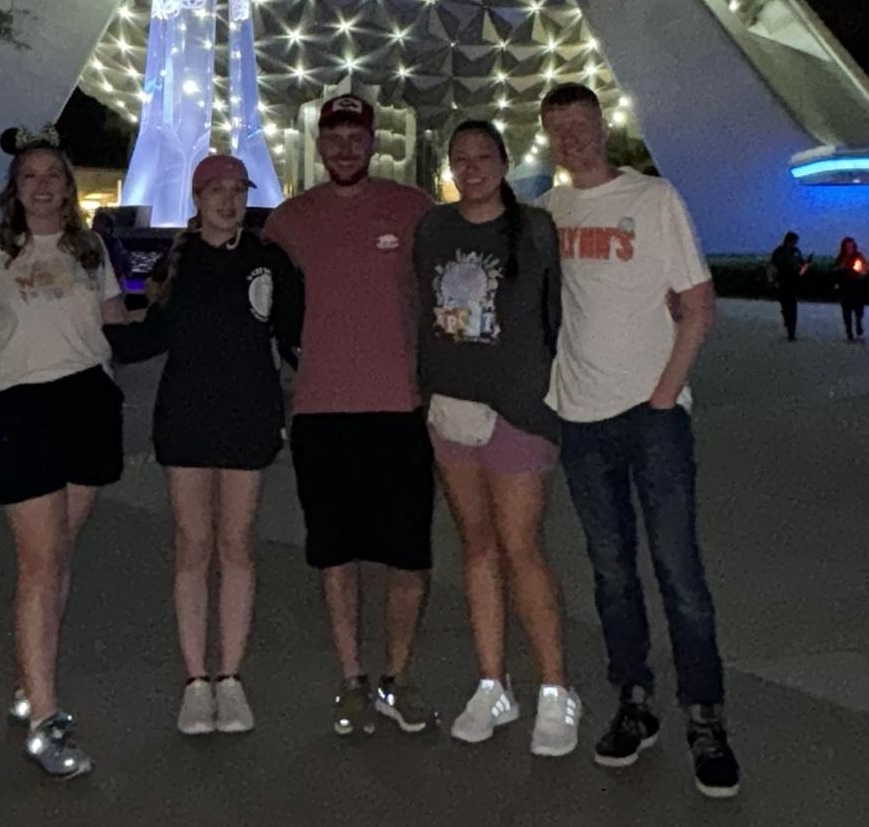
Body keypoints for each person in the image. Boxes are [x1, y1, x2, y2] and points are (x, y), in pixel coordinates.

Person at [538, 83, 740, 799]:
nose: (573, 137)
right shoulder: (548, 213)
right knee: (612, 575)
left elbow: (699, 306)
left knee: (679, 573)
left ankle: (704, 716)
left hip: (652, 419)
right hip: (580, 418)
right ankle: (635, 700)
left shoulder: (655, 200)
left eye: (582, 124)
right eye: (559, 128)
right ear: (548, 137)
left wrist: (661, 399)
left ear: (603, 127)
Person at [0, 126, 128, 778]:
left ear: (68, 186)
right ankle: (45, 720)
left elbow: (117, 326)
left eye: (52, 175)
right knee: (40, 559)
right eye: (29, 176)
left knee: (59, 555)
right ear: (14, 189)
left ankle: (31, 682)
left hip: (87, 403)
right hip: (19, 406)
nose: (42, 185)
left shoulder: (92, 250)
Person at [262, 93, 436, 737]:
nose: (343, 148)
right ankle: (352, 679)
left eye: (354, 137)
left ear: (372, 142)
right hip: (321, 410)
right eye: (332, 137)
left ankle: (396, 677)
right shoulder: (289, 220)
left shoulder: (413, 209)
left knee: (408, 555)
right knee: (335, 553)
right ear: (318, 145)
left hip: (400, 408)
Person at [414, 120, 580, 756]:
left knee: (520, 546)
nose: (472, 167)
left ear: (505, 163)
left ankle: (555, 689)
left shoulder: (535, 229)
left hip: (518, 411)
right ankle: (492, 683)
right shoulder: (433, 228)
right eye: (460, 158)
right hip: (450, 409)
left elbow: (559, 313)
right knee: (477, 546)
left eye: (484, 156)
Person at [126, 153, 303, 736]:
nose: (229, 201)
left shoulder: (268, 259)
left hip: (248, 418)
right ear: (197, 199)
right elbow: (148, 336)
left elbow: (296, 333)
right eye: (217, 191)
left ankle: (230, 676)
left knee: (237, 545)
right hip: (186, 419)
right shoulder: (176, 261)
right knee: (192, 545)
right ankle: (195, 681)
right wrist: (84, 330)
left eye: (237, 190)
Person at [766, 232, 807, 342]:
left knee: (793, 308)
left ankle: (791, 332)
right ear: (788, 241)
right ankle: (788, 323)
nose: (795, 244)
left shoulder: (796, 252)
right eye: (794, 242)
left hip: (793, 283)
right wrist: (771, 280)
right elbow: (772, 266)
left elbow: (802, 266)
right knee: (785, 307)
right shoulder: (778, 251)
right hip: (782, 282)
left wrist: (805, 267)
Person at [833, 238, 869, 341]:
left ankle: (858, 324)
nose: (849, 247)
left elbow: (865, 268)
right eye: (847, 246)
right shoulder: (841, 257)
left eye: (851, 245)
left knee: (859, 310)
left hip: (857, 287)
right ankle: (849, 332)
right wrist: (841, 267)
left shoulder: (858, 256)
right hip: (845, 287)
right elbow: (834, 269)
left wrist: (862, 272)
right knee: (846, 311)